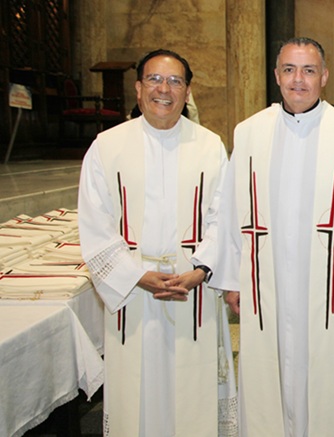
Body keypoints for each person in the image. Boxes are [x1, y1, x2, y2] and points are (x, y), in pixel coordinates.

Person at [215, 37, 334, 437]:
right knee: (267, 375)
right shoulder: (249, 133)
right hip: (266, 282)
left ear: (324, 77)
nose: (298, 80)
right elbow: (230, 209)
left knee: (329, 374)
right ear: (277, 76)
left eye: (309, 70)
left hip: (327, 287)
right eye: (289, 70)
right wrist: (235, 278)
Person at [78, 49, 236, 436]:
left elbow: (224, 217)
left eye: (175, 81)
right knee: (137, 395)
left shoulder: (209, 145)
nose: (164, 89)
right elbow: (94, 221)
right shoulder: (106, 146)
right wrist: (136, 275)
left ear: (187, 92)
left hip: (192, 292)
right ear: (137, 88)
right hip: (133, 293)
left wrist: (201, 270)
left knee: (192, 392)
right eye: (154, 79)